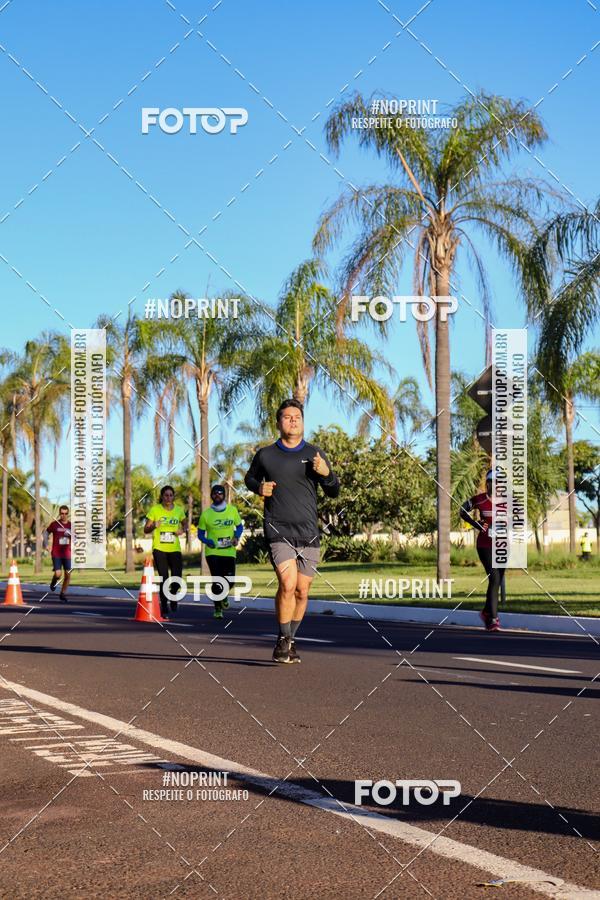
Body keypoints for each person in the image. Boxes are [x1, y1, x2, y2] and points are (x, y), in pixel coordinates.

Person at [244, 398, 340, 664]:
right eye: (287, 417)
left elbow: (334, 491)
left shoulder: (315, 454)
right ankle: (283, 640)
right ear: (279, 423)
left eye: (297, 416)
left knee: (302, 591)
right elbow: (250, 477)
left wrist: (326, 473)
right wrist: (258, 487)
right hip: (278, 529)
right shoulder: (266, 455)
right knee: (287, 584)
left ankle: (290, 639)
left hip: (309, 532)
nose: (293, 420)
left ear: (303, 421)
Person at [460, 469, 505, 632]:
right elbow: (462, 510)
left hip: (503, 545)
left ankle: (486, 612)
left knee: (497, 580)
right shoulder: (479, 499)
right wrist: (477, 524)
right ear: (488, 483)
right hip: (485, 544)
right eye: (493, 482)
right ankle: (493, 619)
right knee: (494, 578)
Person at [198, 484, 243, 619]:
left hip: (229, 551)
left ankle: (223, 596)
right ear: (211, 495)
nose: (217, 495)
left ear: (224, 495)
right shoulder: (206, 514)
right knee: (217, 580)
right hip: (213, 552)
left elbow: (239, 527)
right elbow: (200, 534)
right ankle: (218, 608)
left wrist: (236, 537)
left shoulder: (232, 510)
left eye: (220, 493)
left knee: (230, 581)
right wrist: (207, 541)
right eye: (215, 493)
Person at [144, 486, 187, 620]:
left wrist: (182, 530)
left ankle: (173, 596)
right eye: (166, 495)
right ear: (162, 496)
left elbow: (185, 524)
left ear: (173, 496)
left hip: (174, 548)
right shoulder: (155, 510)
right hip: (159, 548)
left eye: (171, 495)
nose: (168, 498)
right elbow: (146, 529)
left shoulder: (179, 510)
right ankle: (164, 606)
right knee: (164, 578)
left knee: (177, 578)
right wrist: (153, 526)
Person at [46, 505, 72, 602]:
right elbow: (46, 533)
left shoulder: (71, 526)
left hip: (67, 554)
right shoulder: (54, 524)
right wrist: (46, 544)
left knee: (68, 574)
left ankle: (63, 593)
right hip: (56, 553)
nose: (63, 515)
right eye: (62, 513)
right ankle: (54, 582)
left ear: (68, 514)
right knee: (58, 574)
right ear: (59, 514)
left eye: (65, 513)